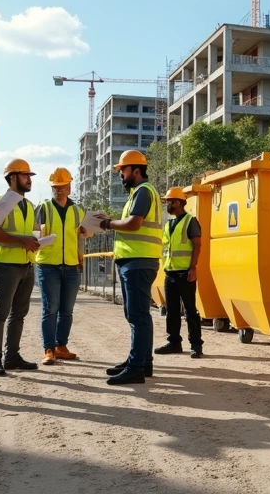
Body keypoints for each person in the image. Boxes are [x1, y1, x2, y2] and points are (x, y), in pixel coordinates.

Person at [93, 150, 162, 385]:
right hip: (136, 261)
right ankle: (141, 362)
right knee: (138, 315)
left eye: (123, 170)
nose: (121, 174)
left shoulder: (143, 191)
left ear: (135, 170)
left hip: (138, 261)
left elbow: (133, 224)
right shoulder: (139, 193)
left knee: (137, 316)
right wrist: (110, 220)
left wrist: (108, 223)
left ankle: (136, 367)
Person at [0, 159, 41, 376]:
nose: (29, 179)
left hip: (27, 264)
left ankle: (12, 357)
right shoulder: (0, 202)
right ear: (13, 177)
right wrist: (21, 240)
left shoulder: (30, 206)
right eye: (26, 175)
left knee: (19, 314)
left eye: (30, 176)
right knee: (0, 312)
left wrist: (37, 241)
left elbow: (31, 234)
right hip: (5, 264)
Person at [35, 167, 86, 365]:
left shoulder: (78, 210)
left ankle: (61, 346)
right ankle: (49, 349)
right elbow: (34, 233)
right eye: (55, 186)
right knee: (50, 308)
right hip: (48, 265)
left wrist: (87, 232)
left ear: (69, 187)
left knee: (66, 310)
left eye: (62, 186)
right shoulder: (44, 208)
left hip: (72, 265)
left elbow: (83, 235)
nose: (58, 190)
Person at [154, 187, 204, 359]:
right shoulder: (169, 224)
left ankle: (196, 344)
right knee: (172, 310)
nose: (167, 204)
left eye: (170, 201)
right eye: (167, 201)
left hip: (185, 272)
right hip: (171, 273)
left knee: (190, 310)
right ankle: (174, 342)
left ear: (179, 202)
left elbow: (197, 245)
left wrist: (193, 268)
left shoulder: (190, 221)